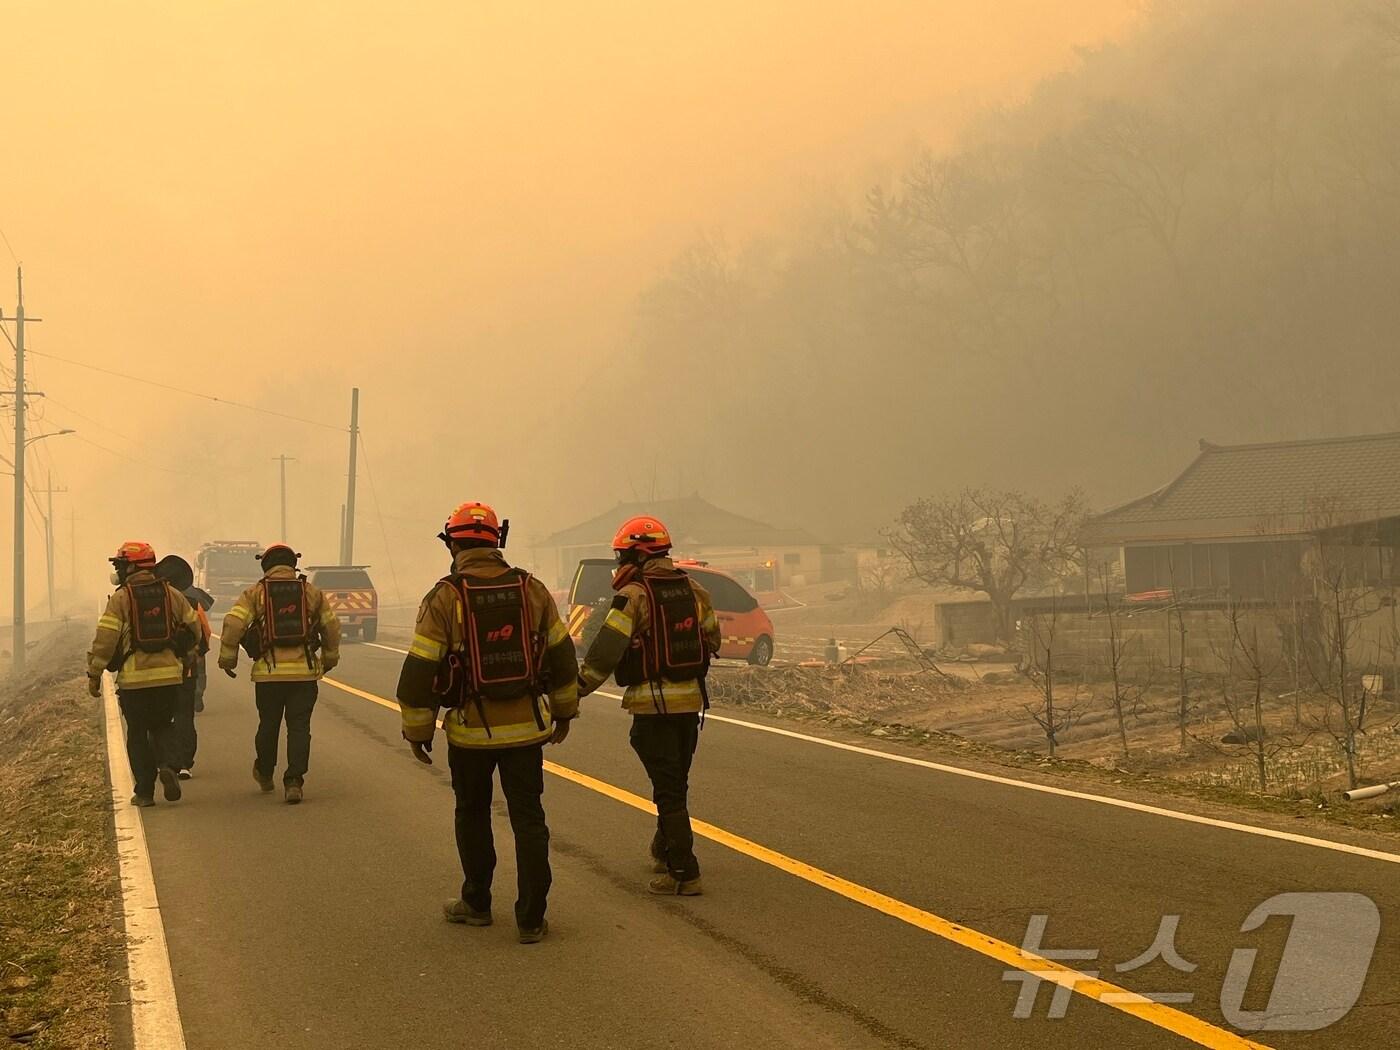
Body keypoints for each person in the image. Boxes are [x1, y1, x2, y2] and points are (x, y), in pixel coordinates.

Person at [396, 502, 578, 944]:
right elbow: (562, 656)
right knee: (529, 819)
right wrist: (564, 712)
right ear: (498, 541)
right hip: (527, 733)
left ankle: (476, 903)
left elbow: (420, 671)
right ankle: (532, 919)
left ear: (454, 543)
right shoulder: (531, 590)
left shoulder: (445, 597)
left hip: (469, 734)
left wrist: (419, 732)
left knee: (473, 814)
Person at [576, 515, 720, 895]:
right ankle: (664, 847)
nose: (620, 564)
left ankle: (683, 872)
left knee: (667, 788)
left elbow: (606, 652)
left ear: (639, 555)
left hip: (652, 708)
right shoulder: (694, 589)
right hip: (690, 705)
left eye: (623, 556)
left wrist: (577, 689)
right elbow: (714, 639)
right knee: (675, 781)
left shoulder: (634, 597)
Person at [218, 544, 340, 804]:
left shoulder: (255, 594)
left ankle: (264, 772)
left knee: (268, 724)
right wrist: (329, 659)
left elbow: (234, 624)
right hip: (304, 675)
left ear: (266, 565)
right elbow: (331, 626)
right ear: (292, 565)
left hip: (268, 675)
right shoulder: (311, 592)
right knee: (299, 727)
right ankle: (294, 781)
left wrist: (228, 658)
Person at [87, 541, 204, 807]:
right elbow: (194, 628)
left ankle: (144, 792)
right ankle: (169, 767)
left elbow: (105, 640)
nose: (118, 569)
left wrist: (94, 673)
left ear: (130, 566)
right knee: (164, 725)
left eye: (120, 564)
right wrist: (186, 658)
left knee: (138, 733)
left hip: (134, 682)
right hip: (169, 679)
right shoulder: (172, 594)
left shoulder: (120, 598)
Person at [172, 588, 213, 778]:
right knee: (184, 717)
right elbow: (205, 633)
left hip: (151, 673)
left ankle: (161, 762)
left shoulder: (143, 598)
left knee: (157, 720)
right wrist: (198, 653)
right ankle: (184, 764)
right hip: (186, 672)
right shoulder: (192, 602)